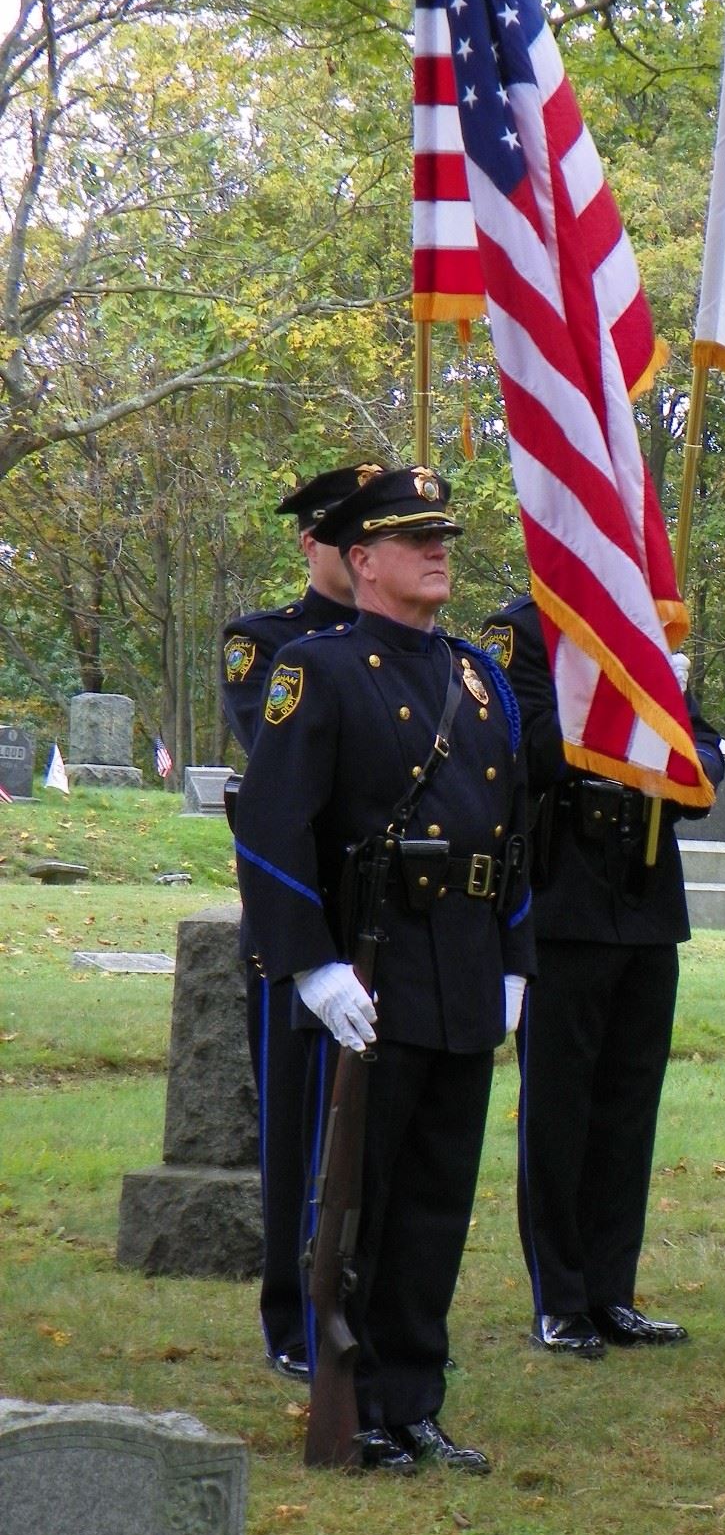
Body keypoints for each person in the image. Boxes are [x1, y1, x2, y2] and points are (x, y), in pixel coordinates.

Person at [234, 466, 531, 1474]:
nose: (438, 549)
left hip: (461, 968)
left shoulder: (478, 677)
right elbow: (272, 830)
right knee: (357, 1195)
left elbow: (515, 832)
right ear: (361, 560)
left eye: (442, 533)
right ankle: (349, 1399)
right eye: (414, 538)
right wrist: (309, 966)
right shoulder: (316, 670)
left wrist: (516, 959)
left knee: (437, 1197)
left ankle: (413, 1399)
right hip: (369, 972)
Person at [481, 595, 725, 1358]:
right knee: (559, 1109)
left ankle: (610, 1291)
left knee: (628, 1108)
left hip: (645, 897)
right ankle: (558, 1297)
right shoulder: (521, 632)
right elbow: (522, 751)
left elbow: (709, 766)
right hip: (566, 894)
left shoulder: (646, 632)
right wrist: (626, 699)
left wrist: (672, 716)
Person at [221, 463, 375, 1380]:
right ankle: (293, 1313)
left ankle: (367, 1300)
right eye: (343, 536)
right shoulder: (266, 646)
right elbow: (278, 759)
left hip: (397, 923)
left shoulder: (422, 653)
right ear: (311, 544)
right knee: (298, 1134)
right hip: (303, 924)